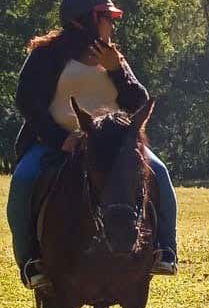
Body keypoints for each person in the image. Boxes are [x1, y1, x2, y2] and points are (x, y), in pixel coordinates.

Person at [7, 0, 178, 289]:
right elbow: (27, 101)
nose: (112, 24)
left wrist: (117, 71)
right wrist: (61, 138)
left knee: (160, 172)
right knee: (23, 181)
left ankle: (165, 249)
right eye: (106, 17)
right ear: (81, 19)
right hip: (56, 142)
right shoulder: (45, 55)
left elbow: (139, 103)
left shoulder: (112, 56)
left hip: (113, 146)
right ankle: (30, 261)